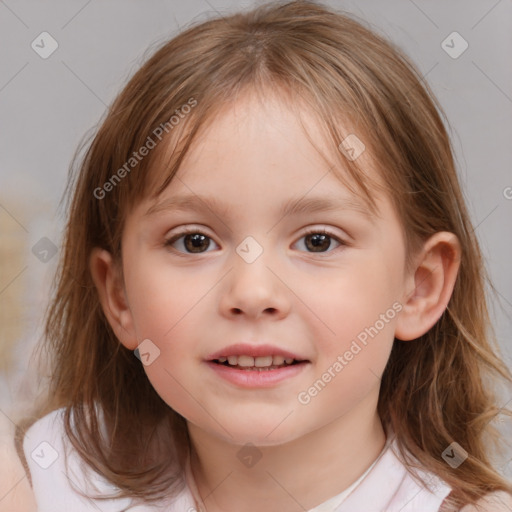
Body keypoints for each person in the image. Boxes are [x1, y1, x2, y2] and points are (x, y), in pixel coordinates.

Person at [15, 1, 512, 511]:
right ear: (118, 294)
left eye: (318, 241)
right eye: (194, 241)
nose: (252, 294)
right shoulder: (45, 480)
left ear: (419, 287)